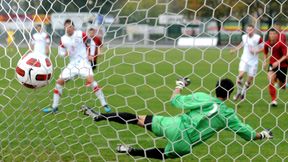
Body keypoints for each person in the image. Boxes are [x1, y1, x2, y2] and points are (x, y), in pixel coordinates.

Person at [80, 78, 273, 159]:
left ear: (215, 89)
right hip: (185, 142)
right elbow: (248, 135)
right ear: (229, 95)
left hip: (173, 125)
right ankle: (132, 151)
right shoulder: (230, 116)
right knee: (166, 154)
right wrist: (262, 135)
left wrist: (180, 84)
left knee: (137, 119)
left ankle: (100, 116)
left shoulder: (203, 97)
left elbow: (174, 100)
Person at [43, 19, 111, 113]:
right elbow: (60, 52)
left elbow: (91, 42)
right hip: (72, 64)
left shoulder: (80, 34)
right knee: (59, 82)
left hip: (84, 62)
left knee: (91, 81)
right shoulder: (63, 39)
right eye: (66, 27)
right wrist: (64, 53)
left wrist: (91, 54)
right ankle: (54, 108)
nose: (68, 28)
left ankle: (105, 105)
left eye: (70, 26)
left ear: (73, 27)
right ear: (64, 28)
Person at [230, 24, 263, 101]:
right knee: (240, 76)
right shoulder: (244, 37)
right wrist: (235, 50)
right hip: (244, 59)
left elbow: (264, 47)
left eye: (251, 30)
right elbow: (242, 44)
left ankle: (243, 92)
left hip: (254, 62)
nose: (249, 31)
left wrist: (255, 51)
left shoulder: (258, 38)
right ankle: (238, 92)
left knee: (249, 80)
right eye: (248, 30)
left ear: (253, 30)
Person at [263, 28, 287, 107]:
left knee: (282, 86)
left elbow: (286, 55)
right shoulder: (267, 43)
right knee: (270, 80)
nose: (272, 35)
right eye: (270, 34)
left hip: (283, 65)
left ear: (277, 35)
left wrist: (278, 62)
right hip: (272, 64)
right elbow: (265, 53)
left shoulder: (281, 44)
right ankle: (273, 100)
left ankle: (284, 83)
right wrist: (265, 61)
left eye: (273, 34)